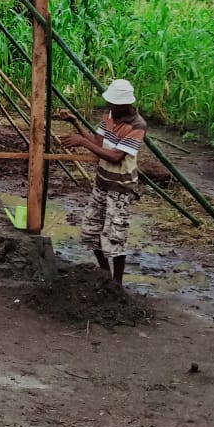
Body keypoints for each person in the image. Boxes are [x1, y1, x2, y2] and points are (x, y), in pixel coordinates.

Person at [63, 78, 147, 285]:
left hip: (120, 187)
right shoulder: (109, 116)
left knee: (115, 236)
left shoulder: (136, 125)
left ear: (125, 104)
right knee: (91, 231)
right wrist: (74, 123)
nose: (109, 107)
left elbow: (115, 156)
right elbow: (98, 143)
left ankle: (116, 283)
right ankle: (104, 275)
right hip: (102, 181)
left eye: (113, 104)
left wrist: (81, 141)